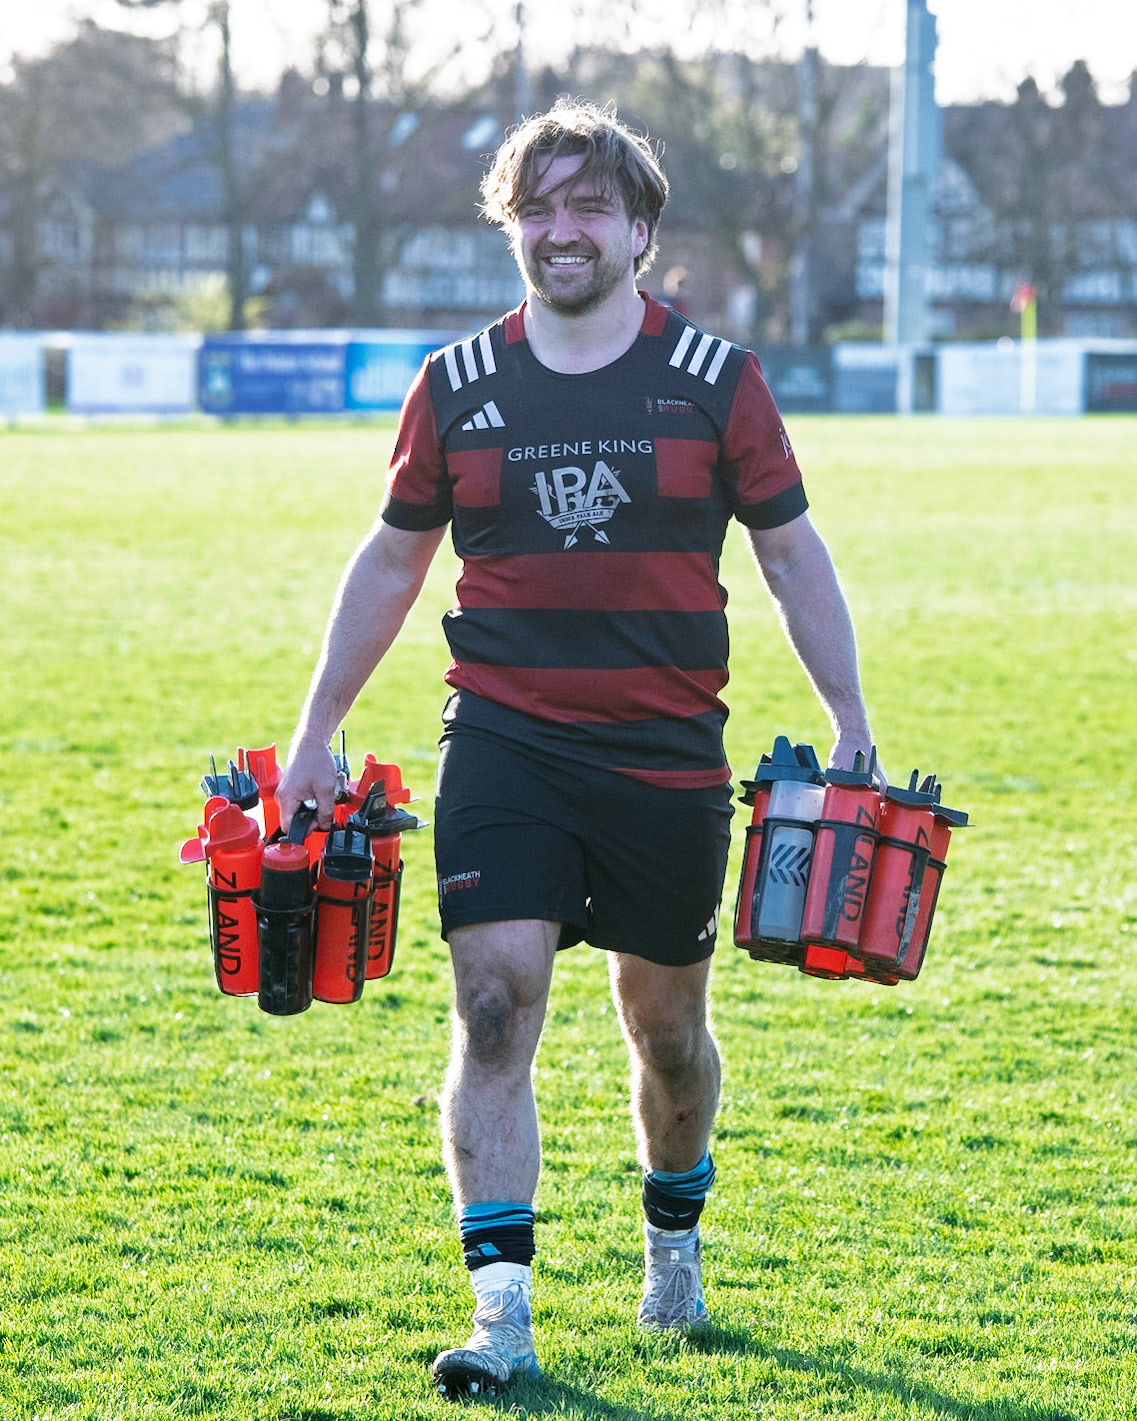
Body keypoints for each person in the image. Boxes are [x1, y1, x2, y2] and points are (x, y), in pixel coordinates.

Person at [276, 99, 880, 1401]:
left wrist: (850, 719)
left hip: (666, 754)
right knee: (492, 1006)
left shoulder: (717, 379)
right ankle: (501, 1315)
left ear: (638, 229)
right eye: (537, 206)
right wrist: (316, 726)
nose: (562, 229)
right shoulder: (456, 386)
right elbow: (392, 559)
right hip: (504, 744)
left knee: (665, 1032)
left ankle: (673, 1238)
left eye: (587, 204)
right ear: (512, 227)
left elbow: (788, 552)